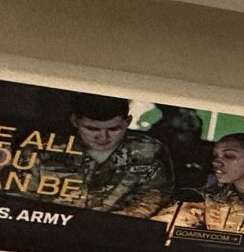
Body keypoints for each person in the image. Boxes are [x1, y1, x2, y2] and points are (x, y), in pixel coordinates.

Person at [39, 93, 172, 219]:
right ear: (75, 121)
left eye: (114, 129)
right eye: (92, 129)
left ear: (128, 122)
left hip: (115, 231)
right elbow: (23, 198)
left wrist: (108, 224)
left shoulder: (149, 151)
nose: (103, 137)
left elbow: (152, 199)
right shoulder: (45, 148)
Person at [166, 133, 244, 237]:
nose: (216, 162)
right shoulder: (206, 197)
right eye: (215, 155)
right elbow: (170, 222)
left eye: (229, 156)